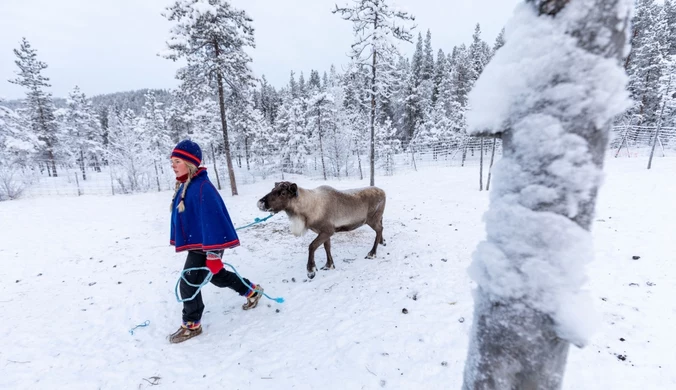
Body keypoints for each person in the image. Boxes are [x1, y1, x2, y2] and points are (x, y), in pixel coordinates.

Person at [168, 139, 263, 344]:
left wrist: (213, 254)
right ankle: (252, 291)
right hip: (200, 243)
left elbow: (213, 221)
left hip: (209, 245)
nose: (173, 165)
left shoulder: (202, 188)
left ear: (190, 163)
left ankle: (192, 324)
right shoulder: (188, 185)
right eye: (172, 161)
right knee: (217, 277)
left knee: (188, 283)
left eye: (177, 161)